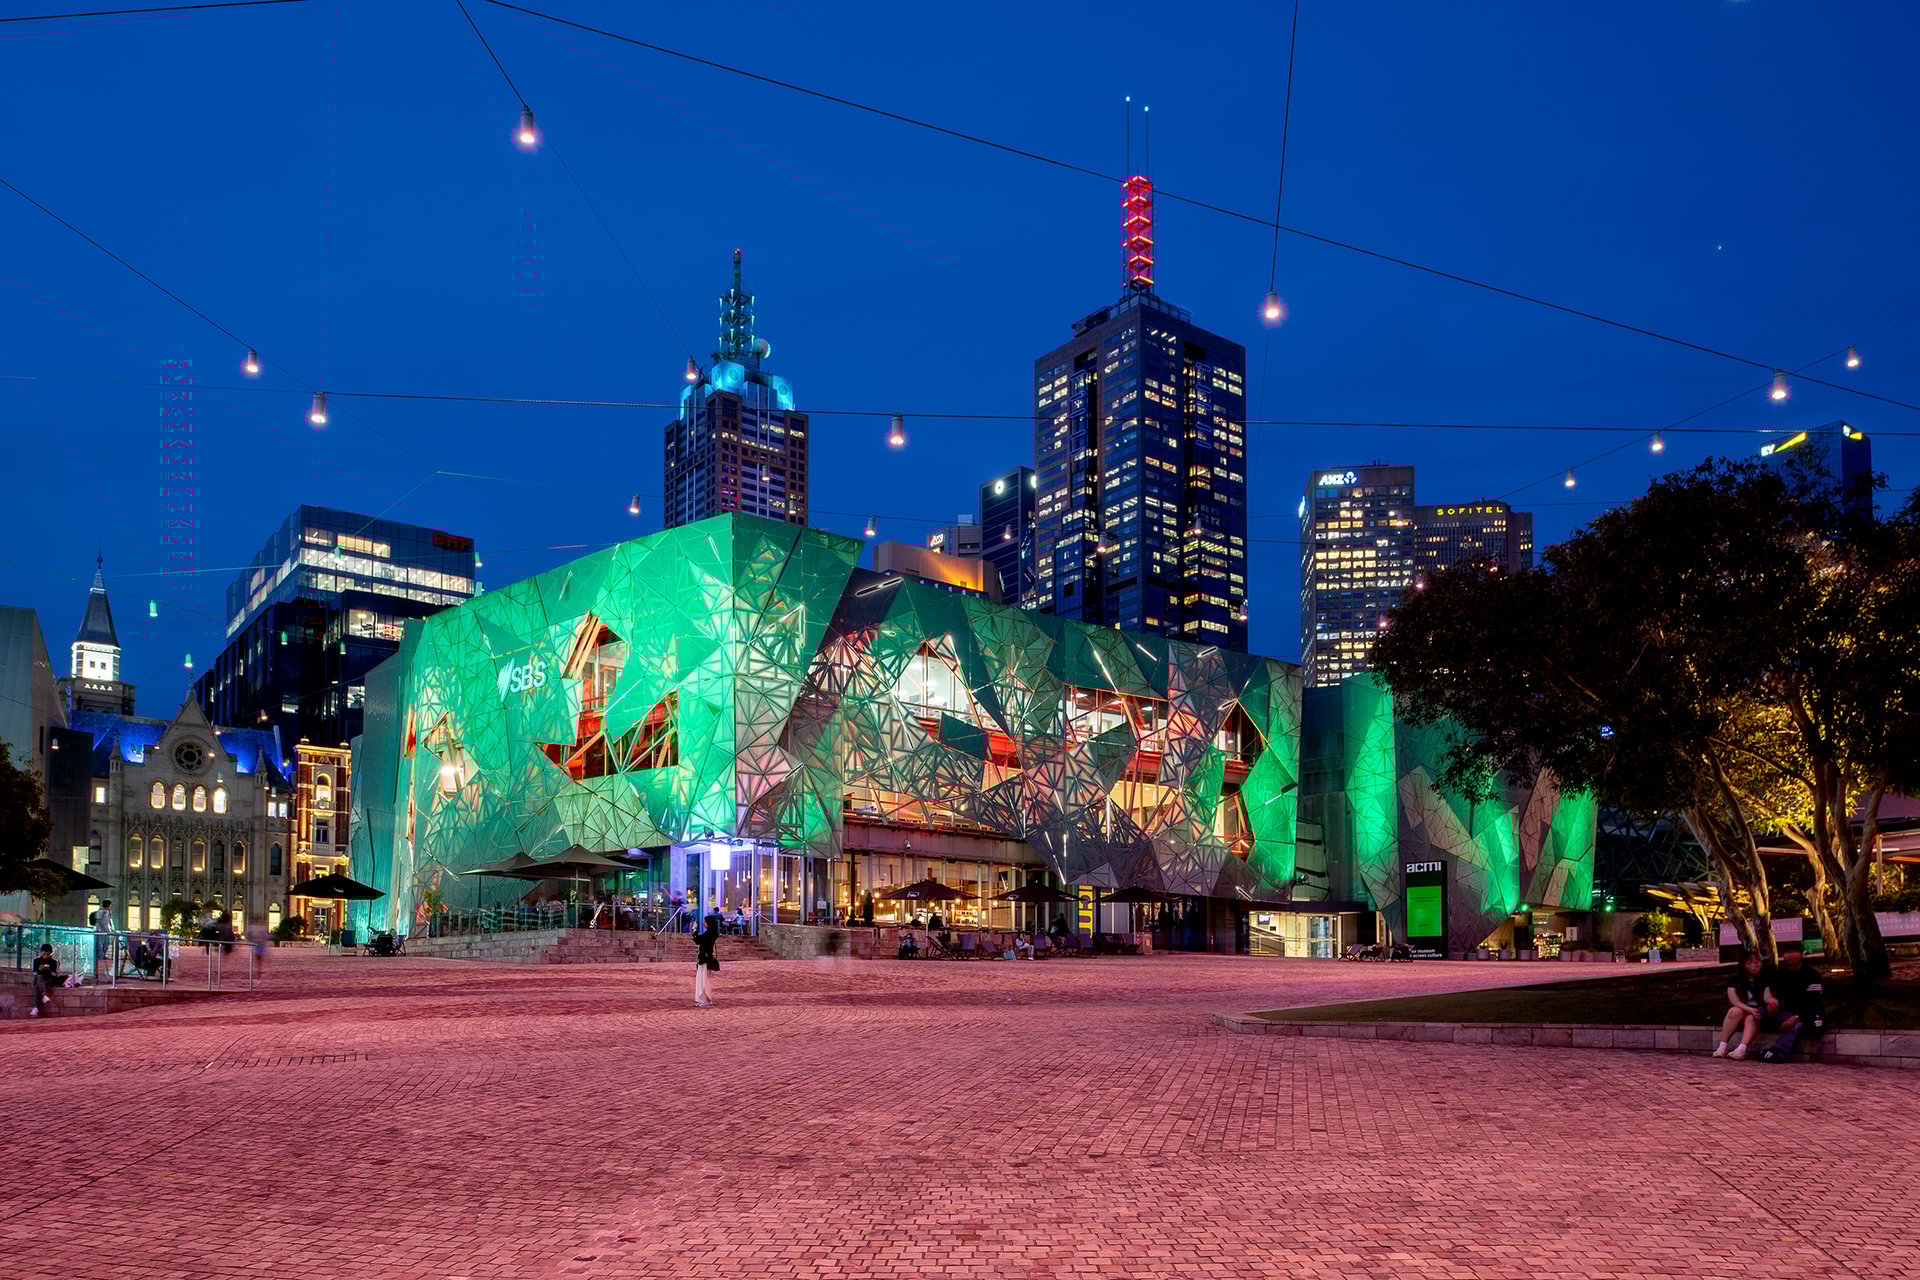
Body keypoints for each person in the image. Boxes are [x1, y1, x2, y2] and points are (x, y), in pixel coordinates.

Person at [1760, 945, 1826, 1063]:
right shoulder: (1779, 974)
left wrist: (1797, 1017)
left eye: (1793, 951)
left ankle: (1777, 1052)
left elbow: (1814, 1002)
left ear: (1801, 954)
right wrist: (1770, 1002)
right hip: (1782, 1014)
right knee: (1757, 1013)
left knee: (1802, 1025)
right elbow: (1768, 992)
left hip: (1805, 1014)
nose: (1790, 955)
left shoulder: (1812, 974)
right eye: (1787, 952)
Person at [1713, 950, 1769, 1059]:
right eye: (1750, 962)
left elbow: (1768, 998)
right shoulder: (1735, 979)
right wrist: (1749, 1009)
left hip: (1759, 1012)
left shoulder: (1766, 979)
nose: (1754, 965)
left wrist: (1757, 1009)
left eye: (1757, 962)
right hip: (1744, 1009)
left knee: (1751, 1018)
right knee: (1734, 1011)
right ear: (1744, 965)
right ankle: (1722, 1047)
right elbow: (1734, 1000)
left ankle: (1741, 1050)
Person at [692, 910, 721, 1008]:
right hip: (704, 958)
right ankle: (702, 999)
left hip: (705, 959)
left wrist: (694, 930)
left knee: (704, 979)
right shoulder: (711, 933)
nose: (704, 923)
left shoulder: (709, 934)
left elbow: (697, 940)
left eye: (705, 922)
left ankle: (706, 999)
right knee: (702, 978)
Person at [30, 944, 59, 1016]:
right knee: (39, 978)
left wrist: (49, 970)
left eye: (48, 954)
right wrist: (39, 969)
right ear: (40, 952)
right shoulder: (36, 960)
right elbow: (34, 973)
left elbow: (56, 974)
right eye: (44, 954)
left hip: (50, 979)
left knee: (37, 984)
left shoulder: (55, 961)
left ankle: (36, 1007)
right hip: (39, 979)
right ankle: (44, 996)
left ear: (51, 953)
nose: (46, 956)